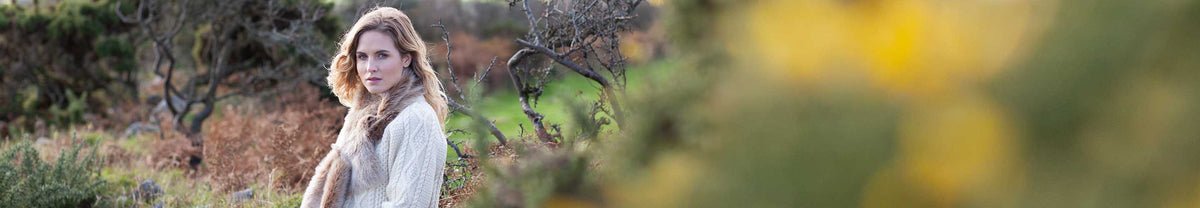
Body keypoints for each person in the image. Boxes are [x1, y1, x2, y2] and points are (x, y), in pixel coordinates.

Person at [301, 7, 449, 208]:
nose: (370, 67)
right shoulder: (360, 115)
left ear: (406, 58)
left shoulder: (416, 119)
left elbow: (408, 205)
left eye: (382, 55)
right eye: (362, 56)